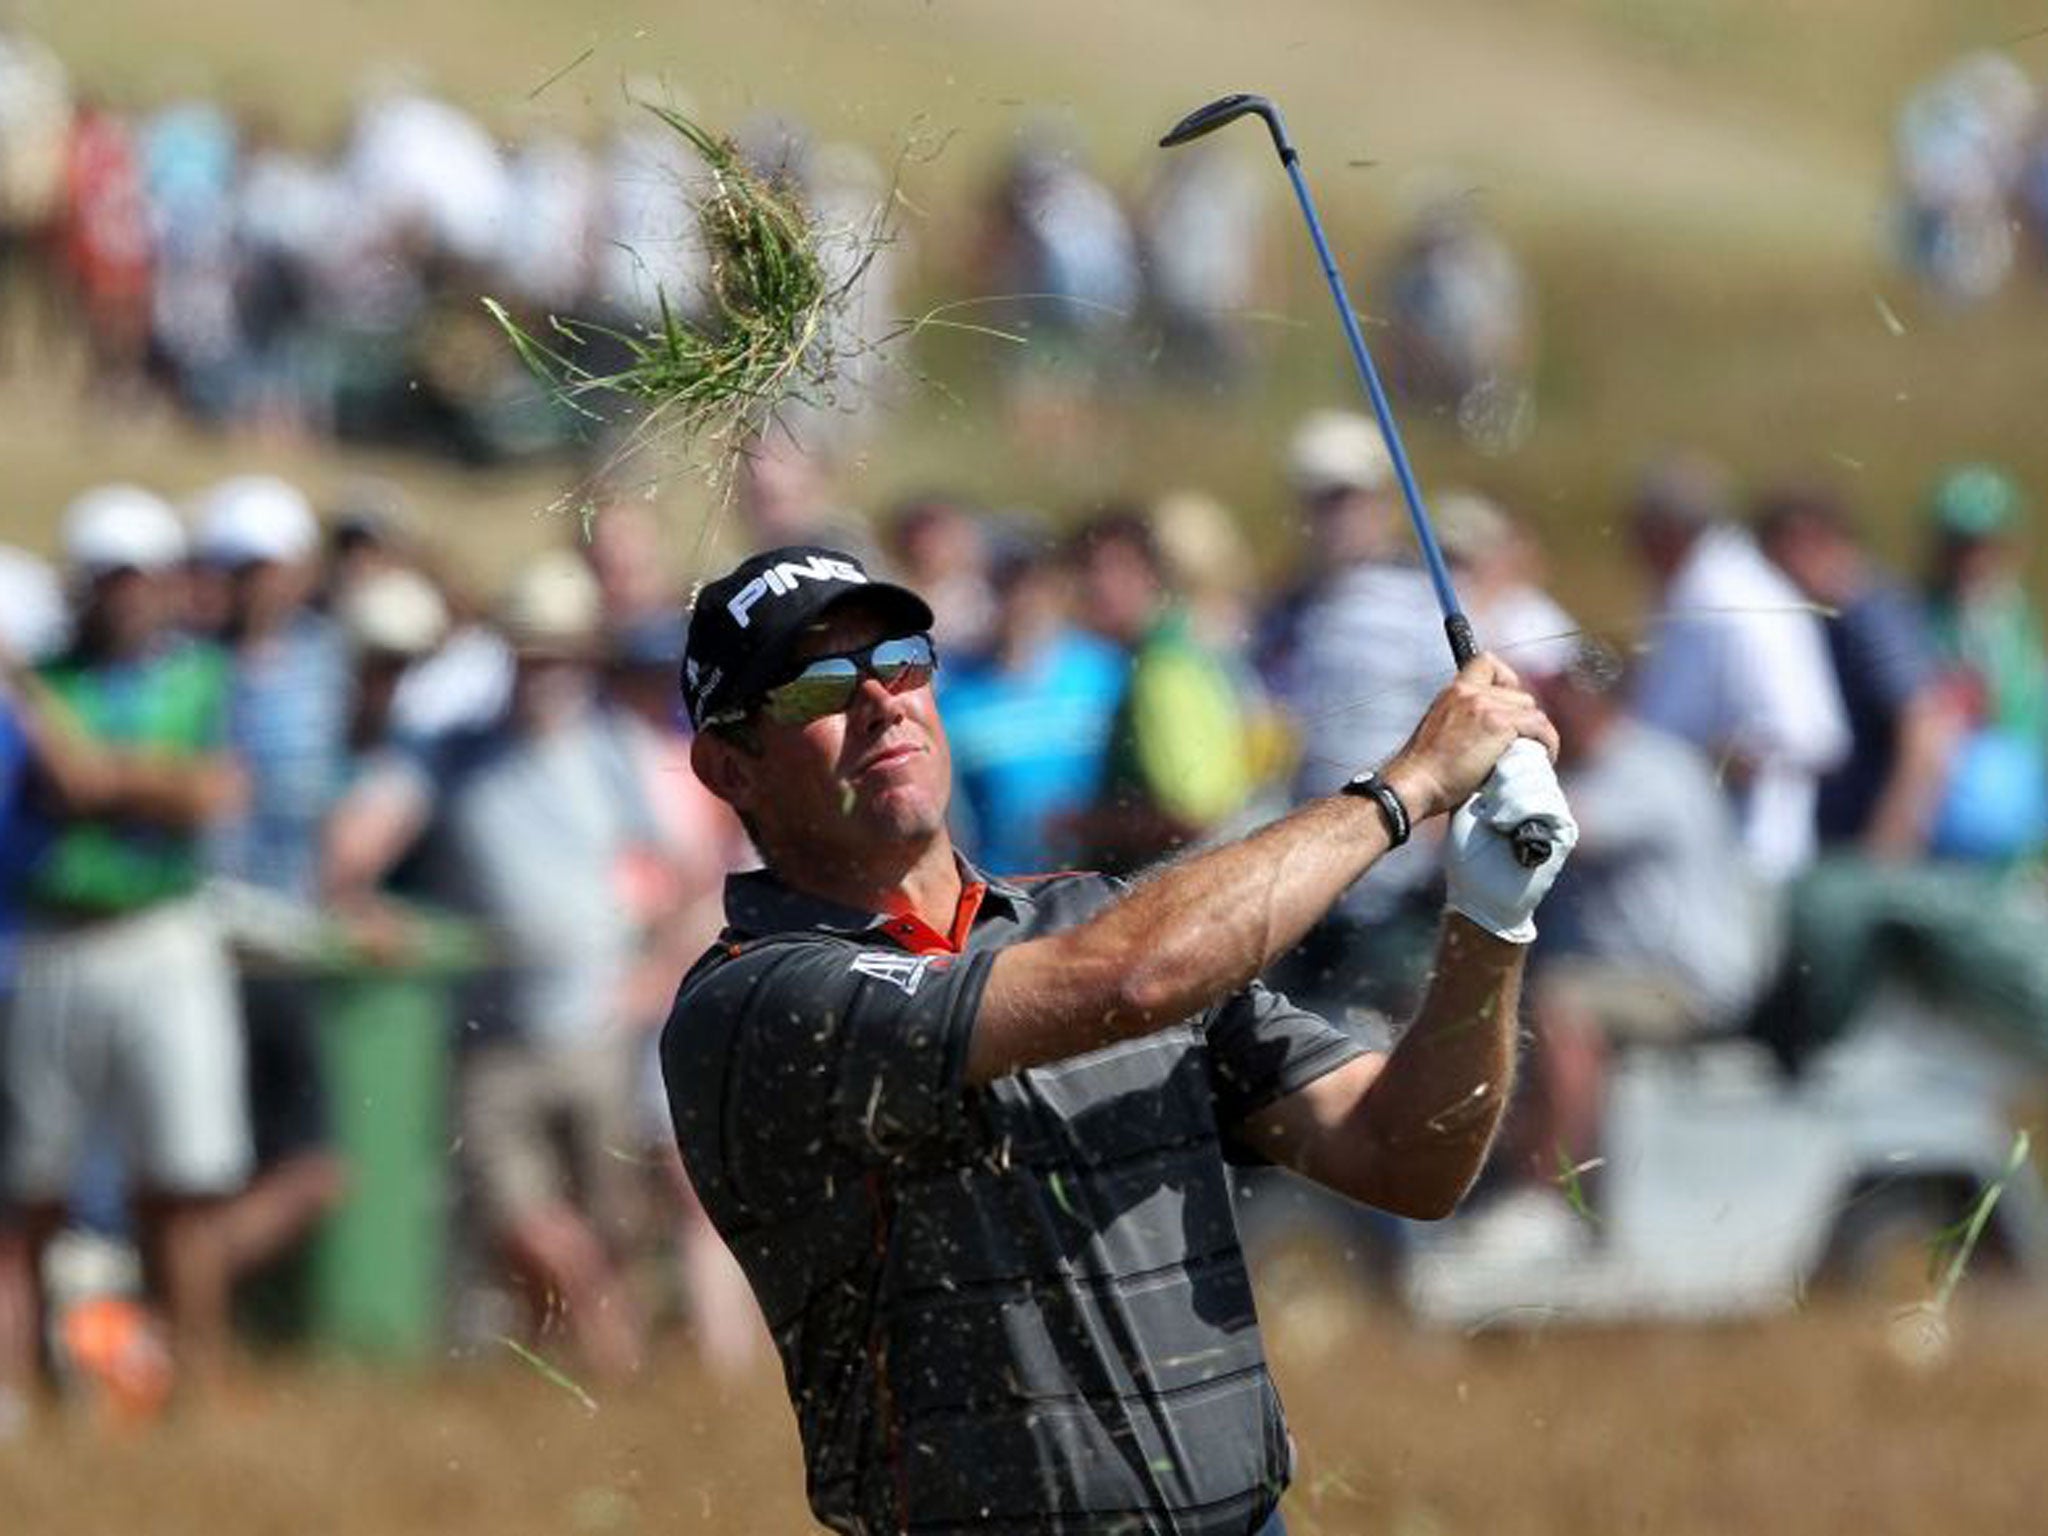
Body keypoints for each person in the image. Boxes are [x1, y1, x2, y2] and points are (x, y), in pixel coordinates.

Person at [662, 543, 1576, 1536]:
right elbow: (1127, 981)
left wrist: (1488, 922)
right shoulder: (752, 999)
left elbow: (1408, 1159)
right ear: (729, 767)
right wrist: (1399, 792)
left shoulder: (1095, 917)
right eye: (816, 690)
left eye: (900, 660)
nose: (881, 700)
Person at [323, 551, 690, 1381]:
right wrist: (364, 908)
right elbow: (354, 844)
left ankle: (574, 1402)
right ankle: (621, 1378)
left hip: (597, 1034)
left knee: (607, 1230)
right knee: (527, 1225)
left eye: (558, 653)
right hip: (493, 1038)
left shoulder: (614, 751)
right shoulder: (453, 755)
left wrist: (655, 969)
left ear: (585, 657)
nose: (543, 673)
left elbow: (683, 876)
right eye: (529, 653)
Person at [0, 485, 251, 1402]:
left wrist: (110, 775)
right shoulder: (48, 679)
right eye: (110, 578)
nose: (126, 595)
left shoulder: (194, 676)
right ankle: (19, 1395)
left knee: (188, 1176)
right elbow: (86, 784)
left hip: (161, 936)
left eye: (138, 577)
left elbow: (214, 793)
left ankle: (203, 1382)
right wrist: (142, 781)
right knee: (33, 1186)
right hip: (63, 938)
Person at [1626, 451, 1850, 885]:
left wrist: (1707, 760)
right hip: (1705, 851)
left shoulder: (1729, 601)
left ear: (1667, 532)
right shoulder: (1711, 590)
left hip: (1741, 855)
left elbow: (1804, 733)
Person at [1065, 508, 1255, 875]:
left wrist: (1088, 825)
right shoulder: (1176, 648)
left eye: (1113, 568)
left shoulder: (1161, 667)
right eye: (1085, 569)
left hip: (1189, 891)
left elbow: (1195, 814)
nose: (1096, 585)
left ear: (1151, 576)